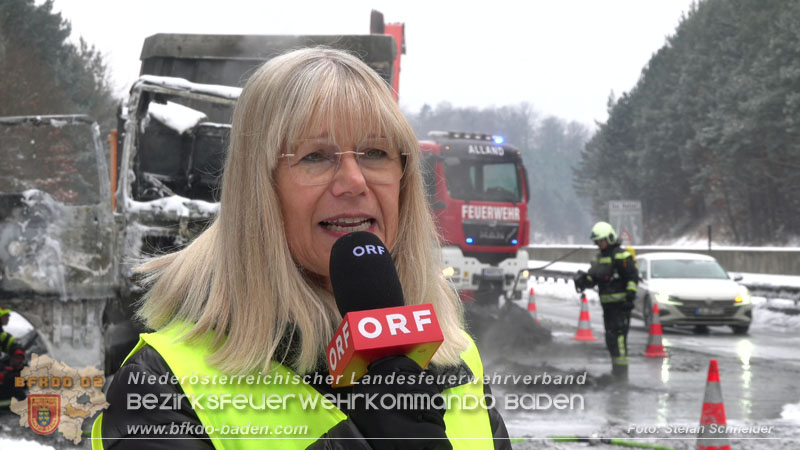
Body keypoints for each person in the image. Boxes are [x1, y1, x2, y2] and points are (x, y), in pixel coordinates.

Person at [93, 48, 511, 450]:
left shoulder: (455, 361)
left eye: (375, 153)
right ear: (259, 190)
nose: (354, 180)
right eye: (315, 156)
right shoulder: (162, 389)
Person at [573, 222, 638, 381]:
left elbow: (632, 278)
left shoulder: (621, 256)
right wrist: (583, 280)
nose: (599, 244)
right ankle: (616, 372)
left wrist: (629, 297)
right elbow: (593, 278)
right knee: (611, 339)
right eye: (597, 242)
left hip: (621, 306)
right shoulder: (599, 258)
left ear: (609, 238)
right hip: (607, 308)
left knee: (620, 340)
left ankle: (622, 375)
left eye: (601, 241)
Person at [0, 307, 26, 402]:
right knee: (10, 377)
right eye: (5, 315)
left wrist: (18, 356)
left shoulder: (1, 334)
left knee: (22, 370)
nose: (8, 316)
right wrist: (4, 369)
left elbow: (10, 344)